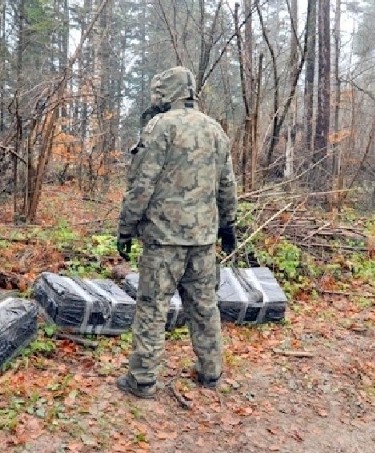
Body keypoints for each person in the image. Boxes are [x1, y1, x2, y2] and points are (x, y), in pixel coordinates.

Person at [116, 66, 237, 398]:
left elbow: (142, 185)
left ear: (165, 92)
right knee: (204, 306)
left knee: (153, 307)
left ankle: (142, 380)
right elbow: (227, 185)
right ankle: (211, 373)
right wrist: (228, 226)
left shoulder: (160, 127)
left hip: (163, 240)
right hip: (203, 239)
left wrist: (125, 228)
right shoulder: (215, 130)